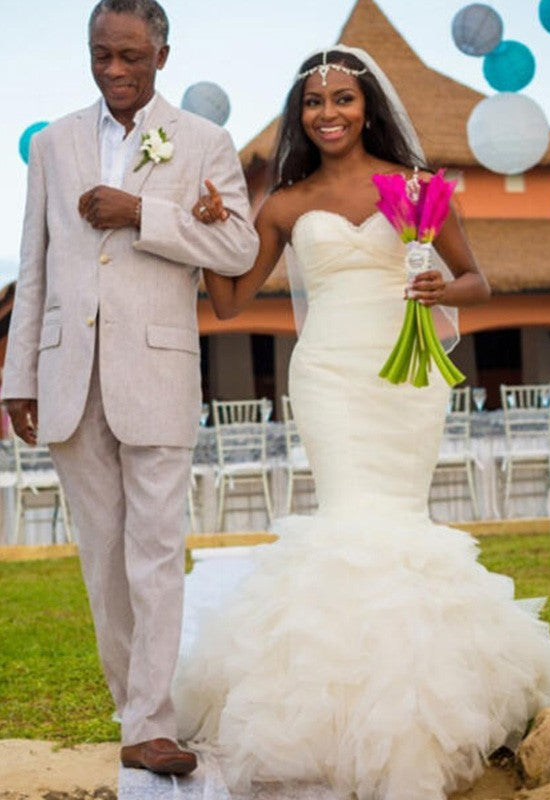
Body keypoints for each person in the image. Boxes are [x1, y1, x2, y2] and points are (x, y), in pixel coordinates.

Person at [174, 46, 550, 800]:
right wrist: (207, 234)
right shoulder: (284, 202)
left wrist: (443, 284)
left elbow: (479, 280)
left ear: (368, 107)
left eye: (342, 99)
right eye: (314, 102)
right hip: (331, 373)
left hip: (409, 377)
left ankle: (429, 696)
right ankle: (327, 708)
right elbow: (232, 302)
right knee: (350, 519)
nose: (328, 113)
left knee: (400, 521)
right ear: (298, 114)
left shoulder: (419, 187)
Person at [1, 0, 258, 777]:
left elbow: (238, 244)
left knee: (153, 551)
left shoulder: (204, 142)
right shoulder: (53, 144)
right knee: (103, 560)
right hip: (65, 376)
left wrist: (143, 211)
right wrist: (19, 375)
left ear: (163, 58)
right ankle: (132, 709)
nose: (115, 71)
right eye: (101, 55)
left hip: (157, 370)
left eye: (132, 58)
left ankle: (151, 722)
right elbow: (36, 262)